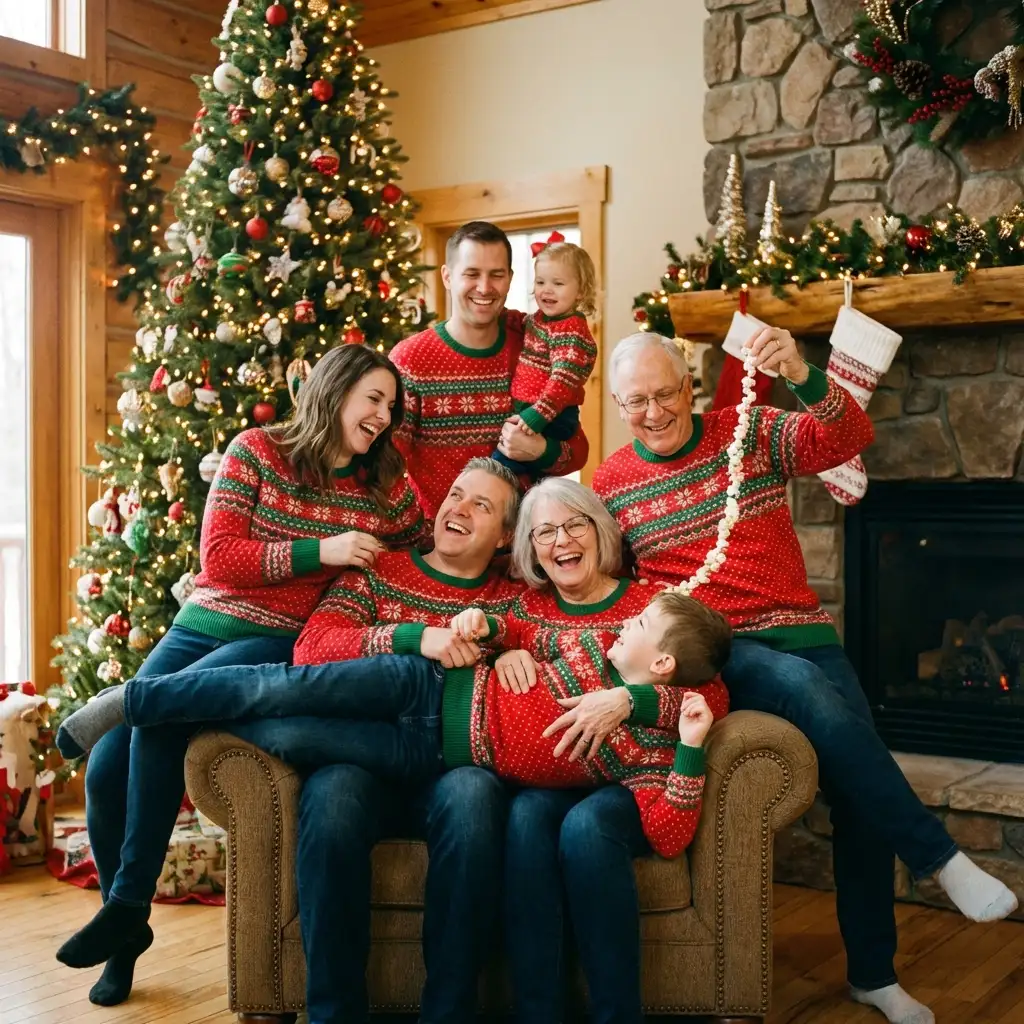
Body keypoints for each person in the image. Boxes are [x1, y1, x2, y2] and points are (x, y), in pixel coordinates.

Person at [592, 329, 1018, 1024]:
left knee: (858, 781)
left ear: (689, 389)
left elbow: (846, 438)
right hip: (716, 649)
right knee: (797, 685)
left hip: (802, 630)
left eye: (665, 393)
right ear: (616, 402)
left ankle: (875, 975)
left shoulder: (748, 430)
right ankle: (942, 859)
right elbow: (604, 583)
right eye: (635, 400)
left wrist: (800, 371)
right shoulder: (610, 485)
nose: (653, 411)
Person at [57, 345, 424, 1007]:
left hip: (280, 637)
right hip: (204, 622)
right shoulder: (256, 450)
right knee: (108, 763)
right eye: (373, 399)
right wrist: (326, 549)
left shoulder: (387, 486)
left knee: (160, 718)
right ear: (334, 390)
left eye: (391, 407)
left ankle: (127, 902)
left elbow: (425, 550)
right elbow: (220, 559)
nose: (382, 416)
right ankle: (127, 937)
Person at [57, 591, 731, 859]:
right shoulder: (590, 646)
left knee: (288, 732)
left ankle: (178, 711)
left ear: (665, 661)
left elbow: (668, 836)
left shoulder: (654, 746)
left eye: (640, 625)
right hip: (426, 678)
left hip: (425, 750)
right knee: (281, 684)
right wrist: (488, 626)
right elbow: (525, 626)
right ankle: (132, 700)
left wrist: (687, 744)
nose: (626, 622)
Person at [496, 476, 727, 1024]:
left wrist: (631, 701)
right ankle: (539, 1013)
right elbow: (490, 651)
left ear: (600, 532)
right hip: (559, 775)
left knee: (587, 828)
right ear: (531, 549)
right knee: (526, 815)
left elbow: (709, 686)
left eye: (574, 524)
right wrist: (499, 656)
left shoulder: (649, 605)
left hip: (630, 779)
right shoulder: (525, 612)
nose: (561, 540)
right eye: (544, 532)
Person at [390, 220, 589, 519]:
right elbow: (386, 467)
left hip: (521, 548)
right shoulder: (410, 359)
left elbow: (579, 450)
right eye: (471, 274)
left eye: (496, 275)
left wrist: (538, 450)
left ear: (510, 278)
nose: (484, 288)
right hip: (440, 546)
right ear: (447, 276)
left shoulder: (535, 342)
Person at [491, 240, 598, 480]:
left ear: (580, 291)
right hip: (533, 411)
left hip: (552, 416)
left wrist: (538, 415)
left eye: (558, 283)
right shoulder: (542, 320)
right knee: (527, 474)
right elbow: (523, 322)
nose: (546, 290)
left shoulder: (571, 332)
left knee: (498, 465)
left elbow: (563, 380)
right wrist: (498, 312)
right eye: (540, 282)